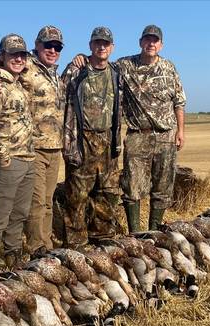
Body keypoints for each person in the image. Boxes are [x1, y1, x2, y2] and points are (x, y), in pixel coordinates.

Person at [74, 25, 186, 232]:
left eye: (155, 40)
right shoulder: (124, 66)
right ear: (140, 42)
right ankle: (135, 234)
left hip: (166, 135)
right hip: (137, 136)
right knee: (132, 187)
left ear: (161, 45)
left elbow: (179, 102)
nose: (151, 44)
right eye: (147, 39)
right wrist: (82, 56)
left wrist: (180, 131)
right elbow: (100, 61)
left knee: (162, 187)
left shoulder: (169, 68)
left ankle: (155, 232)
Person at [0, 26, 65, 264]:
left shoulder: (53, 74)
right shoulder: (23, 69)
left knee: (37, 206)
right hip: (23, 152)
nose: (52, 50)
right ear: (37, 46)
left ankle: (28, 253)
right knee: (16, 210)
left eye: (57, 46)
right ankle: (26, 251)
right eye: (48, 45)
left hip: (47, 149)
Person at [61, 27, 123, 249]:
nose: (101, 47)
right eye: (97, 43)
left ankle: (102, 236)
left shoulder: (116, 73)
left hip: (108, 140)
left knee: (106, 191)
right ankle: (76, 242)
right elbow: (58, 94)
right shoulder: (76, 70)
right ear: (90, 46)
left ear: (112, 47)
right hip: (82, 139)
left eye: (106, 43)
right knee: (77, 194)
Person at [0, 34, 34, 274]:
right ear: (2, 56)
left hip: (27, 159)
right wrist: (3, 156)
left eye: (21, 54)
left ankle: (13, 258)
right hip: (7, 161)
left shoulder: (19, 82)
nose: (18, 59)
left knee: (19, 214)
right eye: (13, 54)